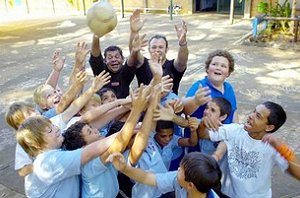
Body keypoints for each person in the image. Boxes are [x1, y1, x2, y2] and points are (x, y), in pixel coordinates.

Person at [62, 85, 150, 198]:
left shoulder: (97, 146)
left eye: (92, 128)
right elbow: (119, 143)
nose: (95, 130)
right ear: (84, 147)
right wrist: (136, 110)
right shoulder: (89, 165)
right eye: (90, 132)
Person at [198, 101, 299, 198]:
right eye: (254, 111)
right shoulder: (235, 130)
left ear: (269, 127)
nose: (251, 115)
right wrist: (203, 124)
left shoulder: (273, 147)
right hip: (225, 193)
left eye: (258, 116)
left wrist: (281, 148)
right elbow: (204, 135)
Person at [16, 115, 119, 198]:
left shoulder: (57, 143)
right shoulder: (48, 162)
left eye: (52, 125)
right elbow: (90, 152)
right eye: (49, 131)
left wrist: (122, 107)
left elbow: (88, 127)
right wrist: (126, 131)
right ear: (37, 144)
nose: (56, 128)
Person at [109, 152, 221, 198]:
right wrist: (124, 168)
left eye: (180, 170)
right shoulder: (180, 181)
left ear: (190, 185)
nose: (177, 169)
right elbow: (148, 178)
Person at [129, 9, 189, 95]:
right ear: (149, 49)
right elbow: (133, 52)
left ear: (166, 49)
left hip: (168, 107)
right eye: (154, 47)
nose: (157, 50)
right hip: (146, 106)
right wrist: (134, 32)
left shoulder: (173, 66)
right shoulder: (143, 64)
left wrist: (182, 43)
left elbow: (182, 61)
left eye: (161, 47)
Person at [89, 30, 147, 98]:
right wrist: (96, 37)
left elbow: (131, 63)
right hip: (103, 107)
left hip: (123, 107)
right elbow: (96, 57)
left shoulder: (125, 73)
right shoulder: (102, 72)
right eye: (110, 57)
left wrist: (134, 51)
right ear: (105, 61)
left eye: (117, 57)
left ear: (122, 59)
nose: (114, 60)